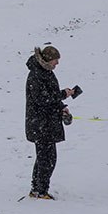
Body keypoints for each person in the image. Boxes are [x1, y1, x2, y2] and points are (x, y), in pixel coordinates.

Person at [25, 45, 74, 200]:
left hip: (46, 123)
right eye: (55, 60)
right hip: (40, 125)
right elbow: (42, 99)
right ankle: (41, 191)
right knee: (47, 159)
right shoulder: (36, 75)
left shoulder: (46, 73)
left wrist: (62, 107)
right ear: (47, 59)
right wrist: (63, 95)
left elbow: (51, 97)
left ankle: (37, 189)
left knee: (44, 158)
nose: (57, 63)